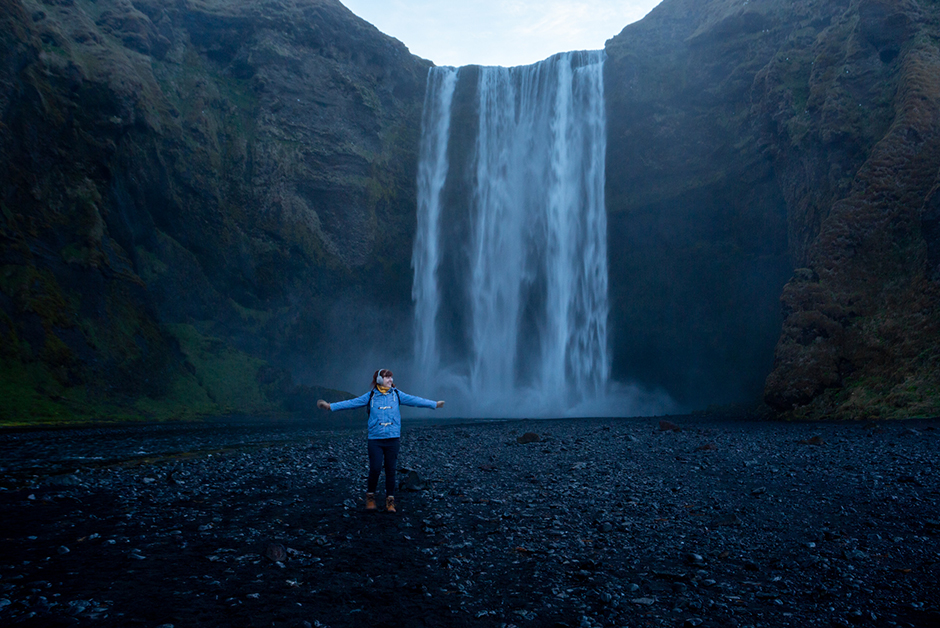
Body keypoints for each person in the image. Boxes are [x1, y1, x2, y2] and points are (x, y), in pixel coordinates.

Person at [317, 369, 444, 513]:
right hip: (375, 439)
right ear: (378, 380)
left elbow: (415, 400)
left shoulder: (397, 394)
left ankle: (390, 502)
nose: (390, 380)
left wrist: (434, 404)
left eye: (391, 377)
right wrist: (330, 406)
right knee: (375, 469)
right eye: (387, 377)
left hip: (393, 438)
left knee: (391, 471)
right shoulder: (370, 396)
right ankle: (370, 497)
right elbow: (352, 403)